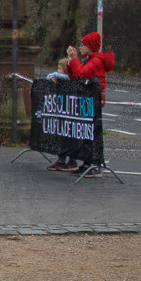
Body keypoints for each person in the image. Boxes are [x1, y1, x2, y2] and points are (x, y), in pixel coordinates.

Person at [61, 32, 114, 177]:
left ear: (90, 47)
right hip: (87, 101)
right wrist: (71, 62)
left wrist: (74, 59)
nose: (80, 47)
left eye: (83, 45)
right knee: (86, 132)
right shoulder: (88, 60)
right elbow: (74, 76)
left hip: (93, 102)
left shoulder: (95, 61)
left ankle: (93, 164)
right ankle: (86, 162)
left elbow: (81, 74)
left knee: (92, 133)